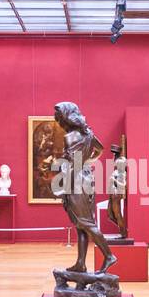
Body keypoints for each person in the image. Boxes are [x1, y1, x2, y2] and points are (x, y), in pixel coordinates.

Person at [52, 102, 115, 273]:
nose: (58, 122)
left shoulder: (70, 137)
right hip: (86, 178)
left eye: (58, 118)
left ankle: (109, 256)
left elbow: (73, 165)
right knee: (81, 225)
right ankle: (81, 263)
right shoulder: (88, 134)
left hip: (76, 181)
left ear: (65, 118)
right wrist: (88, 162)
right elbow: (100, 149)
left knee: (86, 223)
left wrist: (63, 188)